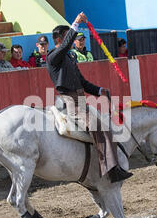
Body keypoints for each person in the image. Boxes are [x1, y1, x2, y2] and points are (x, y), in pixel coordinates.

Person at [47, 12, 133, 183]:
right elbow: (64, 47)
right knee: (97, 126)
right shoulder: (53, 56)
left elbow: (82, 82)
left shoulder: (69, 57)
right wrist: (76, 23)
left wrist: (99, 90)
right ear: (60, 39)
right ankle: (109, 169)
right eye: (67, 37)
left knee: (102, 125)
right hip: (70, 103)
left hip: (81, 101)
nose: (70, 41)